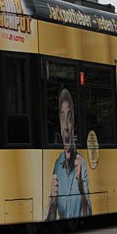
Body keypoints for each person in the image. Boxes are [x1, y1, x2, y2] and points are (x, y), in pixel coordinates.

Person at [46, 88, 91, 221]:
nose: (65, 126)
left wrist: (81, 188)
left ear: (73, 123)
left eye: (69, 118)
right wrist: (52, 202)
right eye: (62, 117)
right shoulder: (57, 165)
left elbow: (89, 214)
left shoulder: (80, 162)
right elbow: (49, 220)